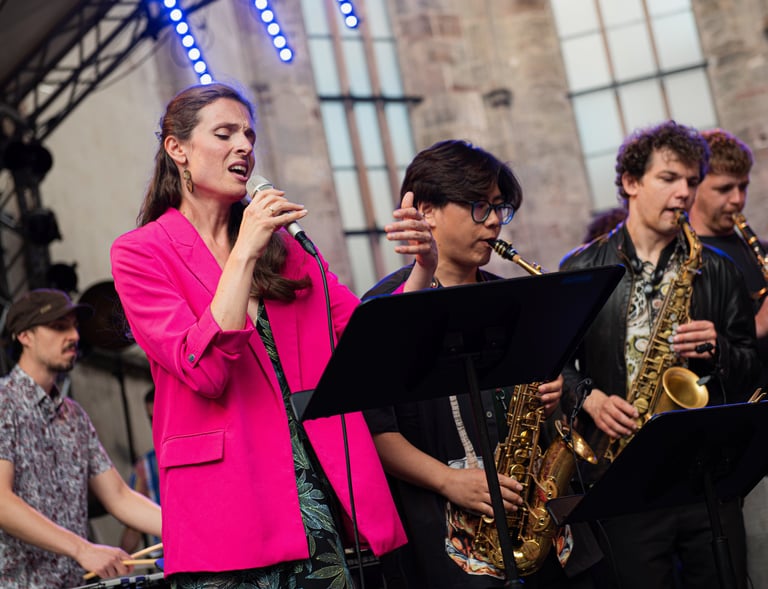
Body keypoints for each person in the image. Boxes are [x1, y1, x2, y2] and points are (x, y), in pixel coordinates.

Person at [110, 82, 434, 588]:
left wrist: (422, 268)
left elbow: (371, 340)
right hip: (222, 511)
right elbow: (206, 371)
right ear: (178, 149)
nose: (244, 145)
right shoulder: (140, 253)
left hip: (310, 500)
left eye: (249, 134)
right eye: (225, 133)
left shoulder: (287, 251)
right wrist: (244, 251)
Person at [363, 139, 602, 589]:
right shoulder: (383, 307)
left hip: (542, 525)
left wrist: (551, 395)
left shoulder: (514, 299)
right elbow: (373, 431)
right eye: (477, 206)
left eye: (498, 207)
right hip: (450, 537)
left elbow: (536, 404)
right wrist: (449, 482)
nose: (493, 221)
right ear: (426, 211)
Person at [559, 120, 759, 589]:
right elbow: (552, 365)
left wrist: (720, 352)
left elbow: (752, 368)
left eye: (691, 181)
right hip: (623, 478)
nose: (685, 193)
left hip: (703, 476)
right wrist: (589, 398)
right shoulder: (583, 268)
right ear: (631, 182)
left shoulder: (717, 268)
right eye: (669, 179)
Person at [0, 288, 163, 588]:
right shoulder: (3, 404)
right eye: (59, 326)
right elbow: (1, 501)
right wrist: (82, 548)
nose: (74, 336)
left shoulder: (74, 417)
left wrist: (187, 530)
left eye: (74, 326)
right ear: (25, 336)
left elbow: (119, 496)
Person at [689, 128, 768, 589]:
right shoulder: (693, 260)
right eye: (724, 189)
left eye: (743, 188)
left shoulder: (752, 246)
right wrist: (761, 322)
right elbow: (707, 349)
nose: (737, 200)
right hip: (742, 433)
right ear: (693, 185)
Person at [119, 387, 160, 553]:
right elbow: (133, 526)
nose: (156, 423)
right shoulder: (145, 467)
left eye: (161, 414)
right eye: (151, 418)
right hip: (171, 557)